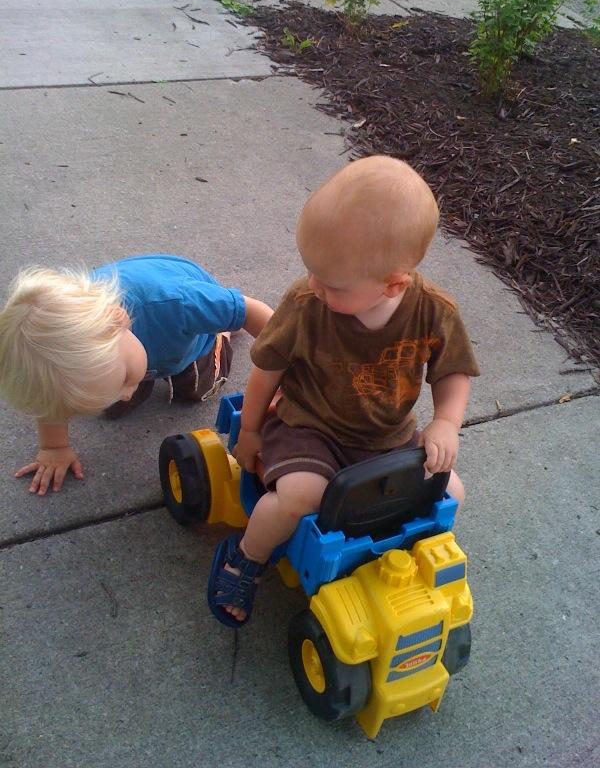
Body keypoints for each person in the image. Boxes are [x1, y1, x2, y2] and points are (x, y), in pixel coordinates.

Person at [207, 156, 480, 628]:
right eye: (311, 271)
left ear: (393, 284)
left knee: (450, 491)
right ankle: (247, 556)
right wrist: (250, 431)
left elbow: (452, 372)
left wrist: (445, 422)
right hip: (308, 426)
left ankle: (401, 574)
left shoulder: (433, 312)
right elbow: (267, 371)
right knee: (302, 495)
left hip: (387, 437)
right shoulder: (306, 304)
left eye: (331, 283)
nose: (313, 285)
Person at [0, 254, 273, 496]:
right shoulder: (88, 345)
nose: (126, 394)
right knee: (110, 405)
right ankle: (132, 373)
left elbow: (251, 312)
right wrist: (54, 447)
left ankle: (221, 333)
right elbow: (51, 399)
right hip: (141, 350)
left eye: (123, 381)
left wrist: (287, 367)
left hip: (189, 339)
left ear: (118, 320)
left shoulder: (176, 301)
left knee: (195, 388)